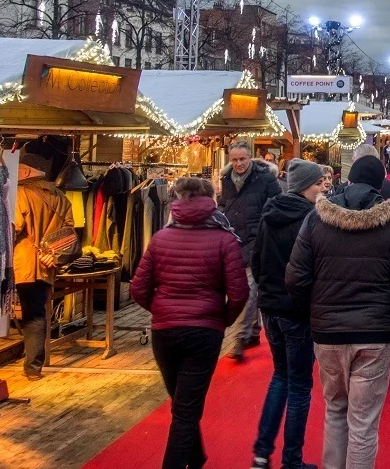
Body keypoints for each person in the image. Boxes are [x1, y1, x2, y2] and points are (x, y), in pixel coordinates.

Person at [285, 155, 390, 469]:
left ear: (348, 179)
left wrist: (315, 310)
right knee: (363, 422)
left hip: (328, 329)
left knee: (335, 411)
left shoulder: (318, 218)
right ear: (379, 184)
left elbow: (296, 277)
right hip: (374, 331)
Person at [131, 176, 249, 469]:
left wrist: (160, 310)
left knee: (181, 403)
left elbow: (138, 288)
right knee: (186, 409)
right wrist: (222, 320)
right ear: (210, 200)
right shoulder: (224, 238)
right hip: (204, 332)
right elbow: (239, 292)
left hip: (165, 332)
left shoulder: (161, 238)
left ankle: (196, 457)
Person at [251, 161, 330, 469]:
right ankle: (292, 461)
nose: (321, 188)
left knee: (280, 376)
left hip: (270, 307)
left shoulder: (271, 213)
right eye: (316, 184)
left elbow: (257, 260)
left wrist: (267, 293)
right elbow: (314, 269)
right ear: (303, 186)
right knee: (298, 386)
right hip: (296, 311)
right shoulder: (311, 219)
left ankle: (260, 453)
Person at [11, 147, 76, 379]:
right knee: (37, 313)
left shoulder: (21, 194)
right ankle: (33, 367)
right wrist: (53, 253)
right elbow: (69, 231)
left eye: (17, 170)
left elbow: (14, 228)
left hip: (23, 262)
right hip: (46, 264)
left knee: (25, 314)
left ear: (27, 172)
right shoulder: (61, 197)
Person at [219, 140, 281, 359]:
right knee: (244, 289)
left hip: (257, 241)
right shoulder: (226, 180)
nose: (238, 164)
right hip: (233, 240)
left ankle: (240, 337)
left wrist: (266, 232)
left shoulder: (265, 179)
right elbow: (223, 206)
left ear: (250, 157)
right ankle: (253, 330)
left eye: (242, 159)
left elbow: (275, 207)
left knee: (248, 289)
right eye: (234, 160)